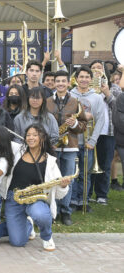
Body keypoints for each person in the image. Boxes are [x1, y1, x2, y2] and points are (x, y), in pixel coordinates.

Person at [0, 122, 70, 251]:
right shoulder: (17, 149)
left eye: (35, 135)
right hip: (14, 198)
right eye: (28, 135)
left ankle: (46, 237)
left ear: (43, 138)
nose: (30, 137)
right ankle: (28, 225)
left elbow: (59, 194)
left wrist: (63, 186)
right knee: (17, 242)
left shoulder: (50, 161)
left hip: (35, 198)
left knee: (40, 214)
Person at [46, 70, 87, 226]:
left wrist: (75, 124)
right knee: (51, 179)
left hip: (70, 147)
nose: (61, 84)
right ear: (54, 83)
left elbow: (83, 125)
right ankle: (52, 211)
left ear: (68, 83)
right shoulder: (48, 101)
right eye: (58, 81)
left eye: (64, 81)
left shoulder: (76, 102)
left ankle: (66, 211)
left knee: (67, 180)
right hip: (52, 147)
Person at [69, 66, 106, 211]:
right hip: (72, 141)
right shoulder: (69, 95)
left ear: (91, 79)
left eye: (86, 77)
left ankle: (83, 201)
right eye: (81, 77)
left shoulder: (96, 97)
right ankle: (72, 200)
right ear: (76, 79)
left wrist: (93, 141)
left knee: (85, 174)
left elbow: (101, 120)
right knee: (72, 173)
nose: (84, 79)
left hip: (87, 142)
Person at [89, 60, 115, 205]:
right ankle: (87, 193)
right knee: (90, 163)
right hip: (91, 132)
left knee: (104, 165)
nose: (96, 70)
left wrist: (107, 93)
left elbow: (117, 107)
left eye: (99, 68)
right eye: (93, 68)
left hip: (107, 132)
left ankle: (102, 194)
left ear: (105, 70)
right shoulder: (87, 89)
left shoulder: (114, 88)